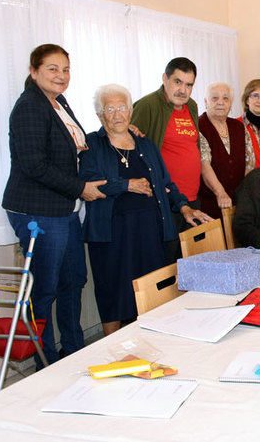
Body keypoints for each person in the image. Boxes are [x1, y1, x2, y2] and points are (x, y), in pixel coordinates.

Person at [2, 44, 106, 367]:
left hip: (65, 209)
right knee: (44, 291)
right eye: (52, 69)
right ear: (34, 72)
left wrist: (119, 131)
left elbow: (78, 145)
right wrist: (80, 188)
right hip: (39, 211)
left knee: (73, 280)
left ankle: (73, 352)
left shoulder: (57, 101)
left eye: (65, 69)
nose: (61, 76)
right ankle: (45, 363)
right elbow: (34, 165)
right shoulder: (29, 107)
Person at [79, 84, 210, 335]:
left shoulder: (145, 144)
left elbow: (165, 183)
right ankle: (114, 351)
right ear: (99, 115)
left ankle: (152, 341)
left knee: (153, 292)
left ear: (130, 111)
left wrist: (183, 207)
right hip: (112, 234)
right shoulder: (92, 144)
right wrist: (126, 185)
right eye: (110, 109)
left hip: (151, 230)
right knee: (113, 293)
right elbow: (88, 182)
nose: (117, 114)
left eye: (122, 107)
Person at [131, 57, 206, 260]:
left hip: (191, 199)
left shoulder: (192, 106)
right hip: (164, 201)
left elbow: (192, 146)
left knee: (192, 262)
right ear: (165, 79)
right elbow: (133, 149)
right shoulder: (147, 105)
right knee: (167, 266)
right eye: (177, 82)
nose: (182, 89)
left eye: (189, 84)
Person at [197, 82, 255, 219]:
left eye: (225, 98)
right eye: (214, 98)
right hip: (209, 203)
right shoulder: (199, 126)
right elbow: (204, 165)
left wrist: (245, 194)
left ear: (230, 104)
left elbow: (250, 162)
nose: (220, 103)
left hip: (238, 202)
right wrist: (220, 193)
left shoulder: (238, 127)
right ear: (206, 102)